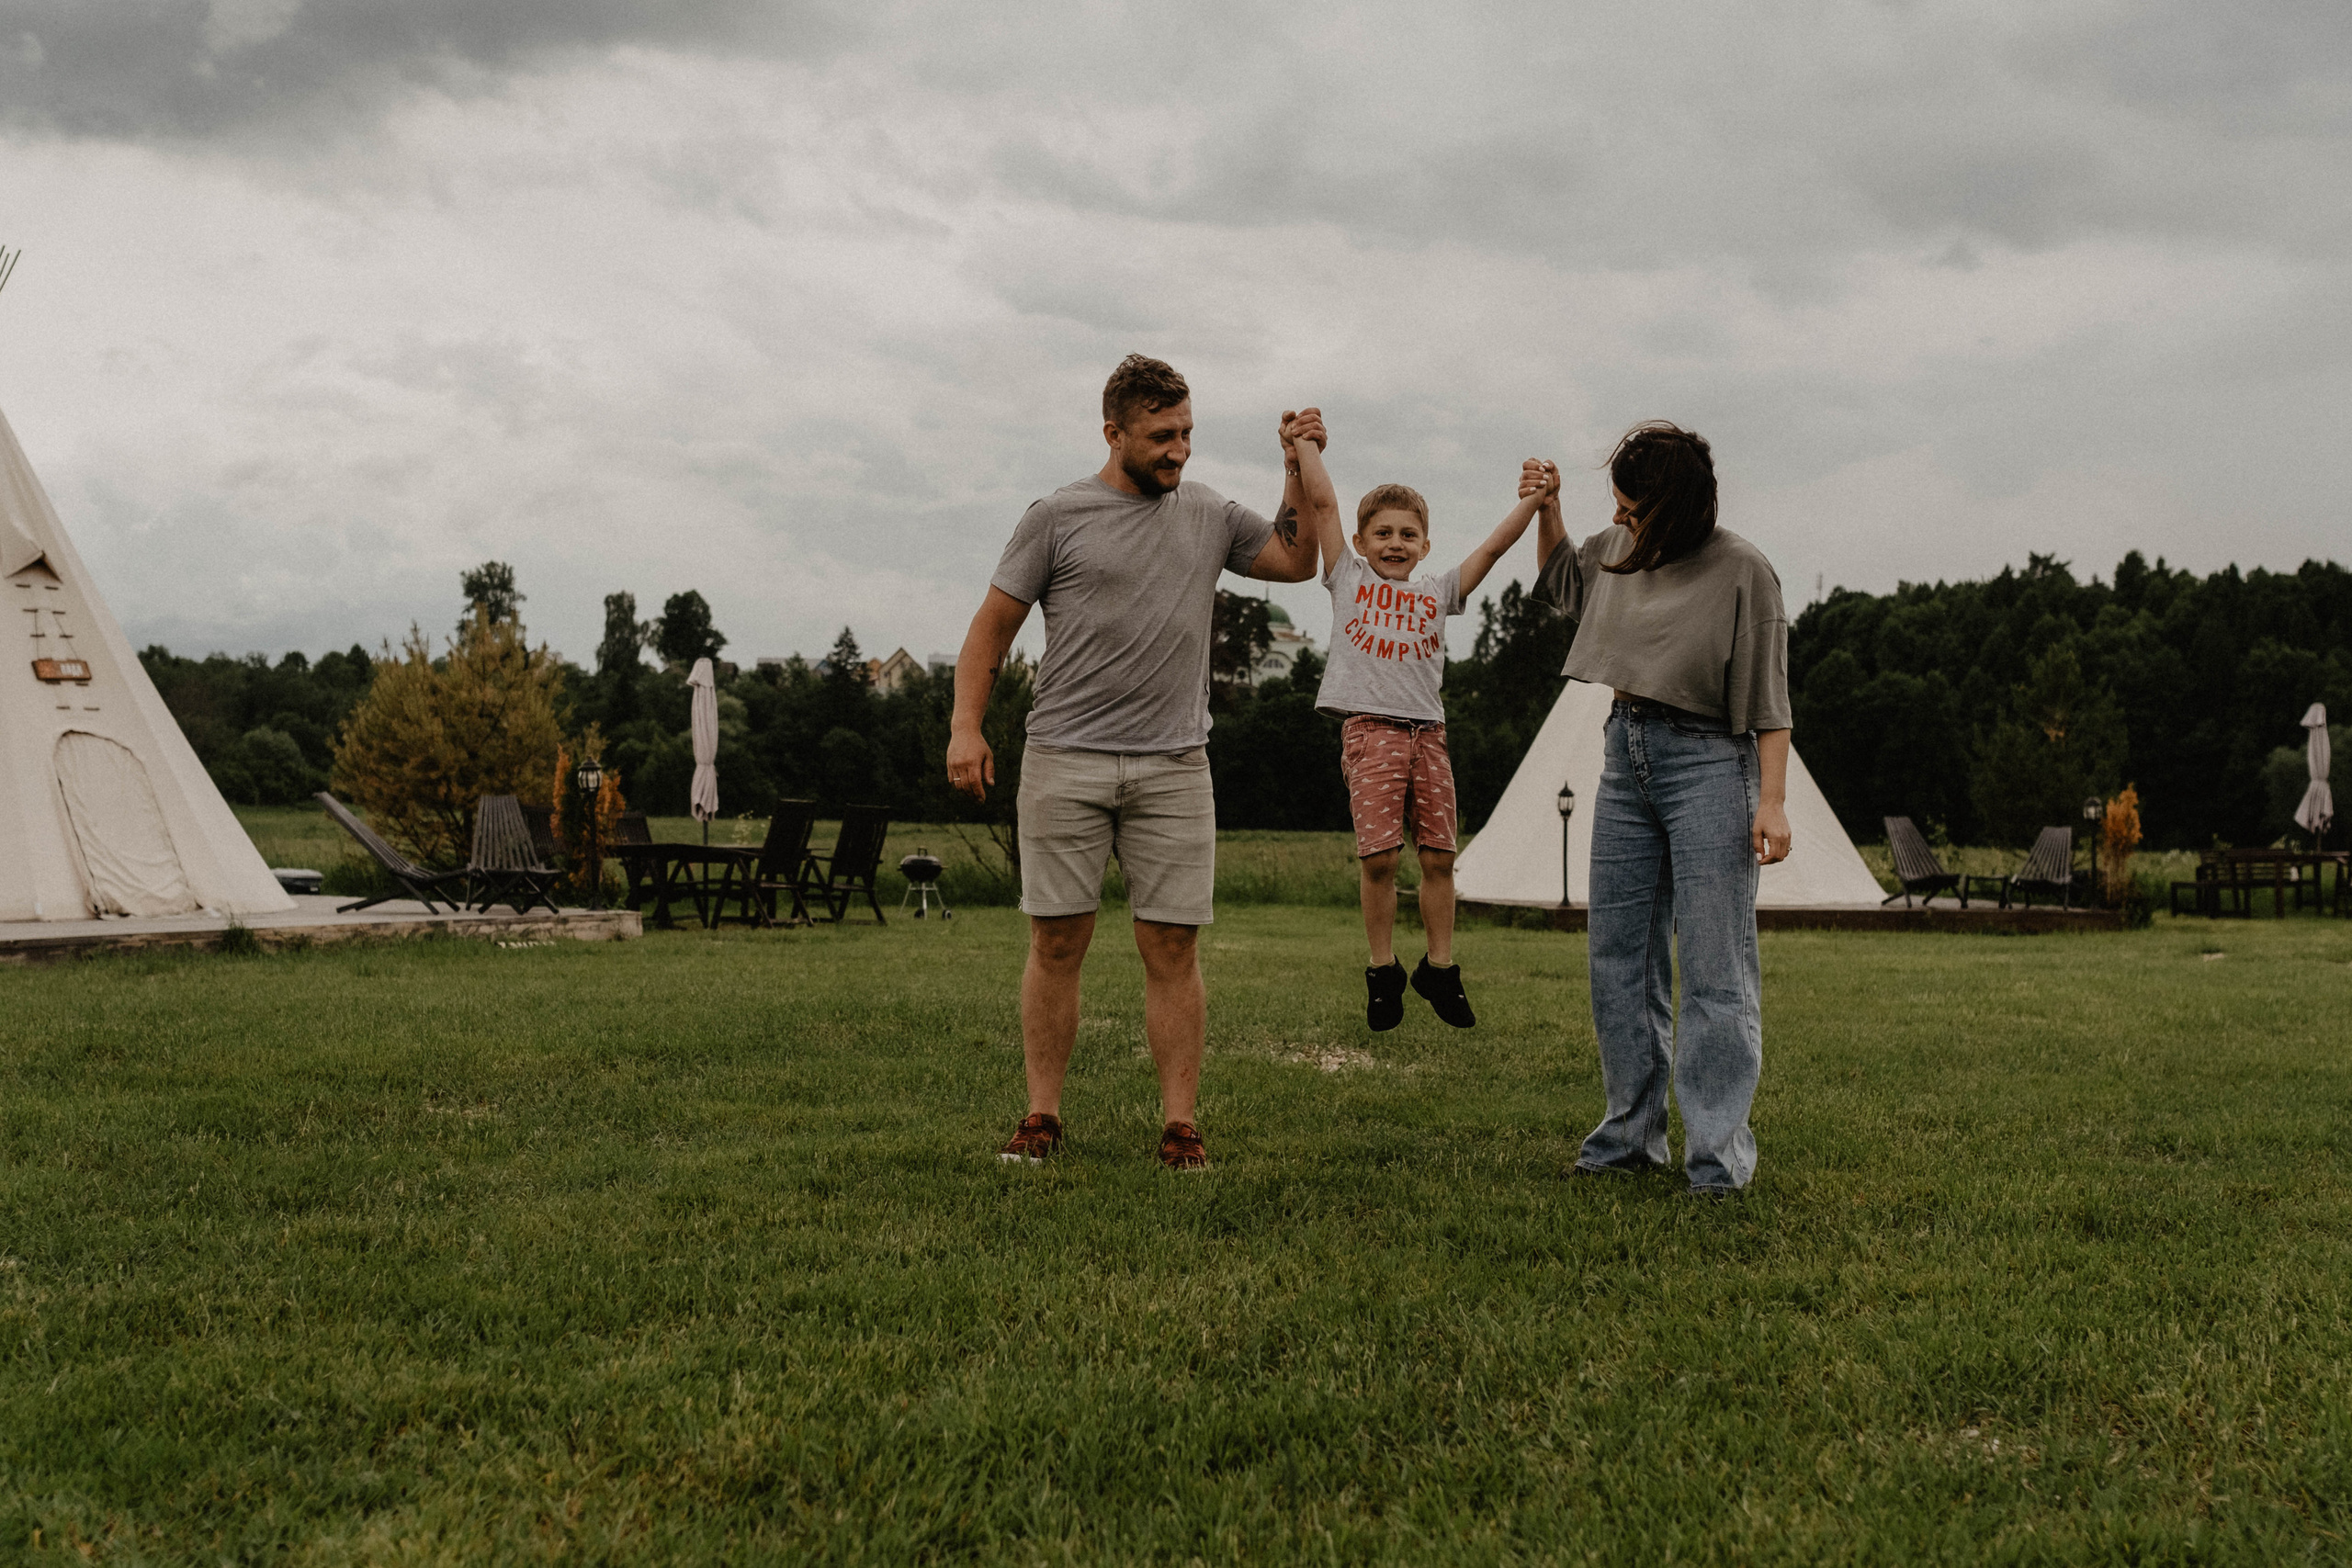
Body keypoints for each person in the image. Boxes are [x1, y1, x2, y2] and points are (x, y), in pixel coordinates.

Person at [945, 355, 1325, 1171]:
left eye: (1186, 433)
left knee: (1173, 948)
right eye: (1161, 436)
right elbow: (990, 629)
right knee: (1056, 941)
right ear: (1113, 432)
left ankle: (1180, 1127)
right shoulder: (1055, 516)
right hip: (1063, 760)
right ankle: (1041, 1116)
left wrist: (1297, 467)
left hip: (1176, 766)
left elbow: (1297, 561)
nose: (1179, 451)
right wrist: (965, 728)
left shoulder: (1211, 515)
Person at [1525, 422, 1792, 1198]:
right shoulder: (1618, 548)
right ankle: (1628, 1139)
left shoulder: (1744, 570)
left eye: (1632, 508)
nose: (1620, 520)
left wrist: (1771, 801)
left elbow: (1772, 702)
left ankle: (1716, 1160)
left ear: (1675, 508)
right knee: (1620, 955)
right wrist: (1549, 512)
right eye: (1615, 505)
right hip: (1624, 753)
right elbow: (1563, 586)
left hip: (1711, 762)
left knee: (1715, 966)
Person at [1284, 423, 1555, 1031]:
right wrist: (1306, 447)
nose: (1396, 543)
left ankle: (1439, 966)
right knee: (1380, 858)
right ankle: (1383, 969)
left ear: (1426, 545)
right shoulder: (1348, 580)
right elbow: (1323, 503)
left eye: (1408, 534)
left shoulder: (1437, 593)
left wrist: (1535, 500)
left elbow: (1492, 548)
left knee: (1439, 854)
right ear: (1360, 540)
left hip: (1428, 735)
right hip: (1373, 732)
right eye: (1383, 533)